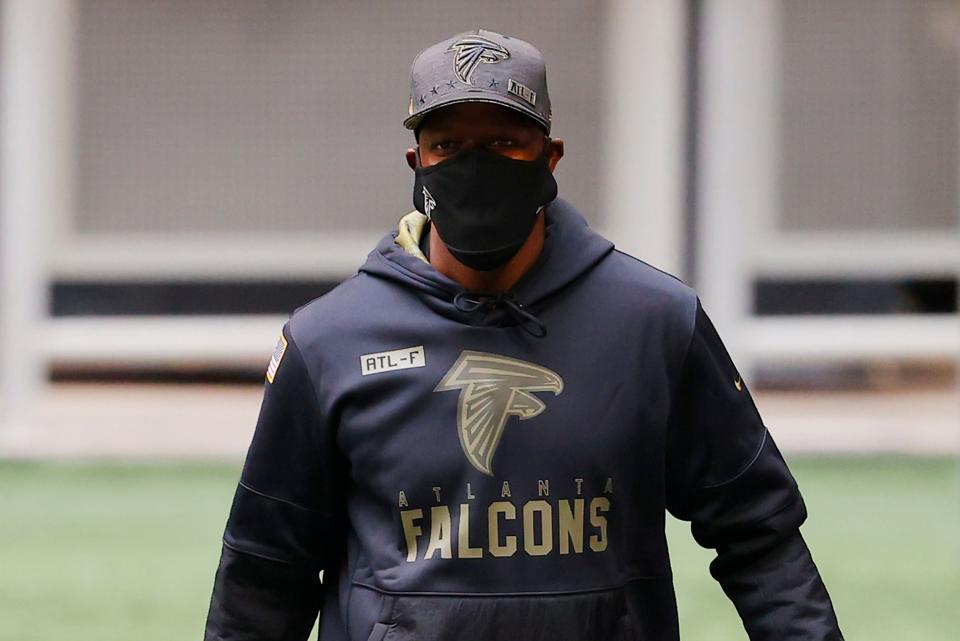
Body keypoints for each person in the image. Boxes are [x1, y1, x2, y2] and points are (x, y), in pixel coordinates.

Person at [204, 28, 844, 641]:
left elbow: (760, 539)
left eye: (505, 143)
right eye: (450, 147)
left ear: (550, 157)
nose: (476, 166)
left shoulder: (655, 323)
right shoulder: (328, 343)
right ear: (417, 163)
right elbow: (265, 575)